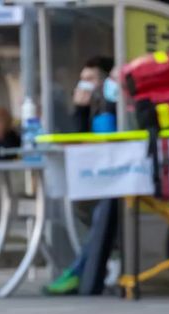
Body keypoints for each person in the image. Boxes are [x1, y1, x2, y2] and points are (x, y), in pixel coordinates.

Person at [44, 58, 120, 296]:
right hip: (96, 177)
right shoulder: (90, 107)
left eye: (90, 79)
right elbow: (77, 137)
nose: (84, 85)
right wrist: (80, 108)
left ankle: (79, 272)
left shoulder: (115, 103)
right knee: (84, 209)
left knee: (103, 212)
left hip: (116, 177)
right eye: (82, 80)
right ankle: (88, 267)